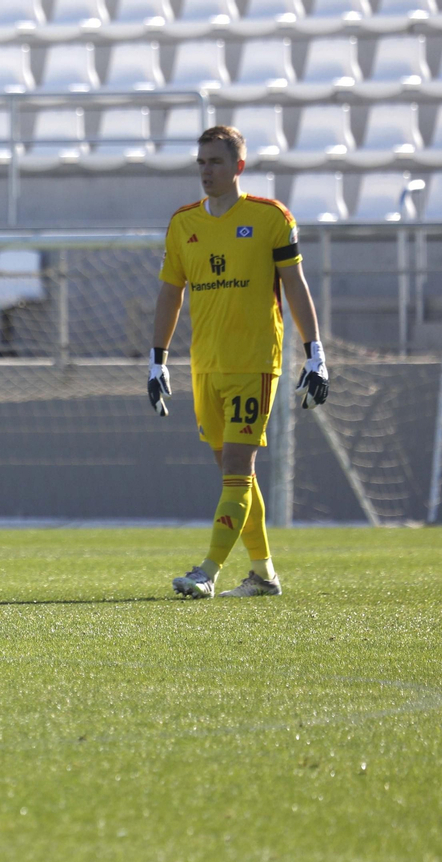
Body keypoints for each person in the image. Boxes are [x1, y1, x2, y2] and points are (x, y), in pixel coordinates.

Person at [148, 125, 330, 599]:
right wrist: (157, 360)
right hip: (206, 366)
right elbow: (170, 293)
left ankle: (207, 571)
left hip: (255, 363)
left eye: (216, 162)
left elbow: (295, 286)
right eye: (201, 162)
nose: (206, 171)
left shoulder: (270, 217)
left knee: (236, 467)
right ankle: (264, 575)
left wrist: (315, 353)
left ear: (238, 167)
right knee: (237, 476)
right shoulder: (183, 223)